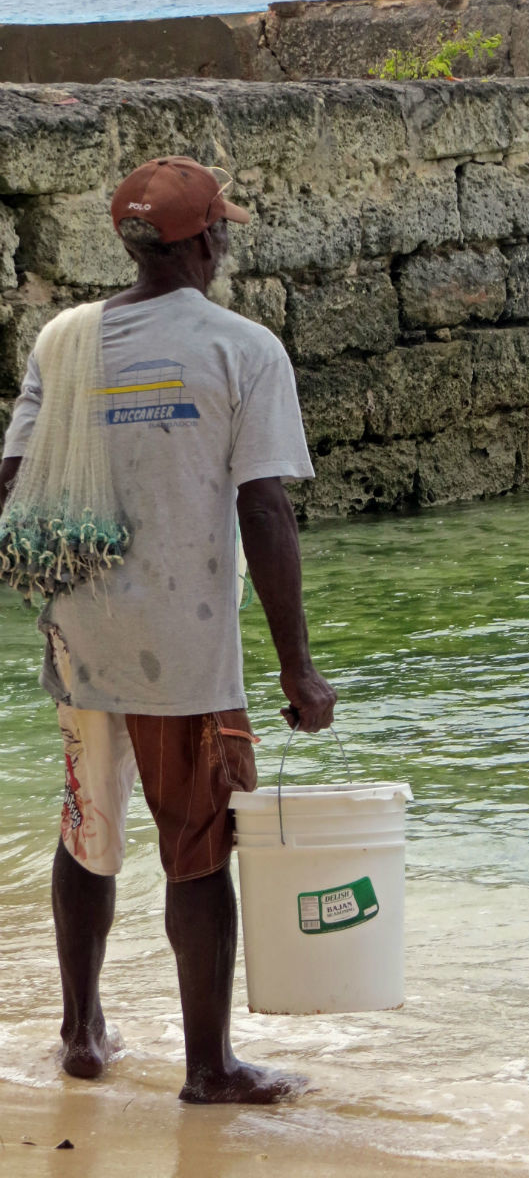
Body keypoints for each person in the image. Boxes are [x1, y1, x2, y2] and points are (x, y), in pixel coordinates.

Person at [0, 156, 337, 1104]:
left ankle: (81, 1032)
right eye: (220, 228)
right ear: (205, 242)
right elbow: (264, 511)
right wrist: (299, 669)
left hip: (78, 638)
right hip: (184, 648)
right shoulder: (242, 348)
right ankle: (209, 1068)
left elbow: (11, 485)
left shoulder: (62, 341)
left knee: (85, 833)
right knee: (196, 848)